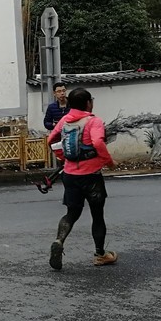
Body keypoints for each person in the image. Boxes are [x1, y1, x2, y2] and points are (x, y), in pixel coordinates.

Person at [45, 88, 117, 270]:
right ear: (88, 103)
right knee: (97, 215)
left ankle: (59, 240)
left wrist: (64, 156)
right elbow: (98, 143)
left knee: (72, 213)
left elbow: (51, 139)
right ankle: (100, 255)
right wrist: (108, 161)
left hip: (70, 175)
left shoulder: (65, 120)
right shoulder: (94, 121)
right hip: (91, 176)